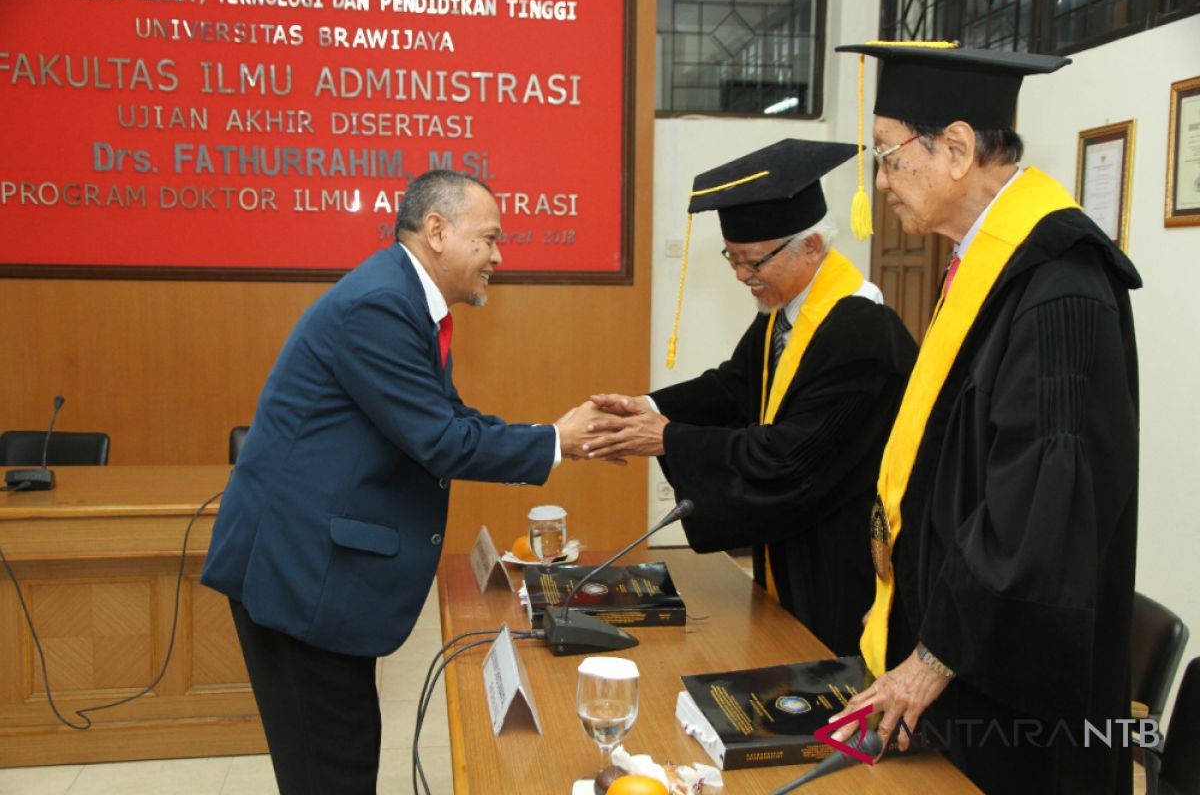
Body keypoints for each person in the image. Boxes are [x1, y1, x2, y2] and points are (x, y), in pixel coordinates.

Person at [200, 170, 598, 794]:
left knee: (343, 752)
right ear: (436, 231)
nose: (499, 255)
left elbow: (451, 418)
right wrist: (556, 441)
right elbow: (440, 442)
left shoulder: (403, 298)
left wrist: (554, 437)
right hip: (299, 573)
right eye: (489, 238)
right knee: (330, 767)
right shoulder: (380, 305)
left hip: (315, 566)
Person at [828, 43, 1142, 794]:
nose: (880, 180)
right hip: (954, 662)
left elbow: (1043, 506)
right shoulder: (989, 268)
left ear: (959, 149)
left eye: (887, 154)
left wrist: (932, 660)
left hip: (1001, 702)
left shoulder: (1060, 283)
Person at [583, 140, 917, 657]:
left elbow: (789, 458)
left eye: (752, 260)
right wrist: (645, 408)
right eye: (733, 259)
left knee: (827, 675)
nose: (742, 275)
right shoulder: (786, 312)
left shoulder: (860, 332)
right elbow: (734, 386)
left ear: (811, 246)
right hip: (794, 543)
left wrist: (668, 439)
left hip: (840, 550)